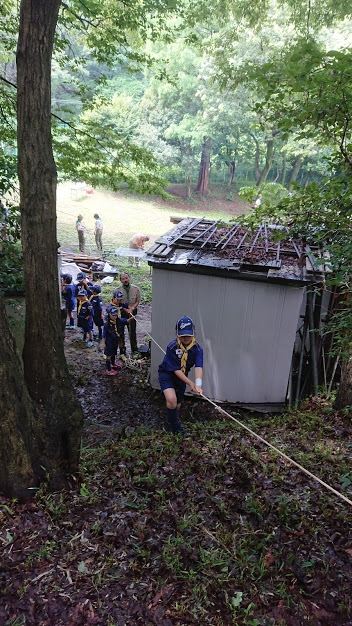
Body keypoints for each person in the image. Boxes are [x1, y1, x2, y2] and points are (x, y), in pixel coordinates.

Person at [158, 316, 203, 437]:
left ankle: (169, 423)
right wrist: (190, 383)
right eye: (182, 335)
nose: (186, 338)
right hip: (167, 374)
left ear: (193, 333)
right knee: (171, 400)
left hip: (182, 377)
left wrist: (198, 384)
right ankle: (176, 428)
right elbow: (176, 370)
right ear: (177, 334)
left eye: (188, 335)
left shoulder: (197, 349)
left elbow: (199, 366)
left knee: (177, 403)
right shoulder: (172, 347)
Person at [102, 300, 130, 375]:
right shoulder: (107, 324)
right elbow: (104, 334)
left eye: (115, 315)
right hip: (109, 341)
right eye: (113, 315)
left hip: (115, 340)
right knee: (109, 355)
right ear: (109, 315)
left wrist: (131, 319)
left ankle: (113, 364)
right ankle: (108, 369)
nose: (114, 317)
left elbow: (125, 321)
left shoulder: (118, 320)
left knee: (114, 352)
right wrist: (104, 343)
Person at [119, 272, 140, 354]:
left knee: (132, 331)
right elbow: (117, 302)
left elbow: (137, 301)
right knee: (121, 332)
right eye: (123, 279)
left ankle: (134, 349)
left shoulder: (136, 289)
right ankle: (122, 350)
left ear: (129, 278)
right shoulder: (118, 290)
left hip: (132, 312)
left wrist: (132, 308)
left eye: (126, 278)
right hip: (121, 312)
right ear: (120, 280)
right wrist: (125, 309)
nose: (125, 280)